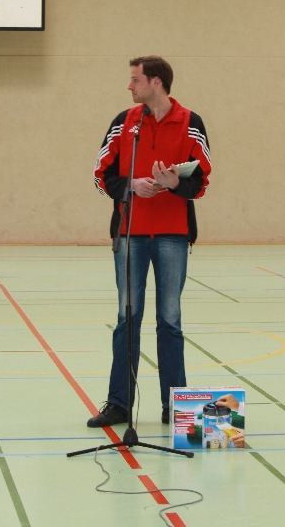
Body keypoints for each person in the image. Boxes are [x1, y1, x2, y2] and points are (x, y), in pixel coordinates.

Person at [88, 55, 211, 427]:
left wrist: (175, 184)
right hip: (130, 235)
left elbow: (201, 182)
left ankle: (174, 406)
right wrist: (131, 185)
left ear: (155, 81)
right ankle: (119, 404)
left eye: (135, 79)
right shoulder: (124, 123)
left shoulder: (191, 123)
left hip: (173, 235)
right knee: (127, 318)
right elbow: (100, 175)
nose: (129, 86)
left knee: (170, 320)